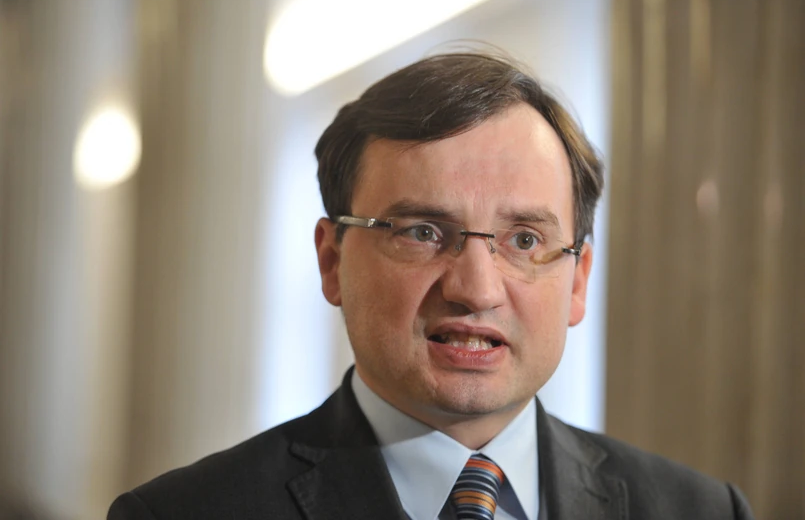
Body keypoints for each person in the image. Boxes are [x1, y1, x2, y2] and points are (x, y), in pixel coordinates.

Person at [108, 51, 754, 519]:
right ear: (332, 261)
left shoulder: (699, 511)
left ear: (577, 280)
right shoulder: (186, 512)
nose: (476, 289)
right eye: (422, 231)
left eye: (524, 240)